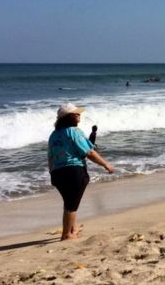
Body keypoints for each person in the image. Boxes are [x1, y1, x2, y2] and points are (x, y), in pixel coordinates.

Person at [48, 103, 114, 241]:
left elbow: (50, 157)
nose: (79, 114)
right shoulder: (74, 131)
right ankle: (67, 235)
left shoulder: (53, 135)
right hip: (74, 171)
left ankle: (72, 228)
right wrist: (105, 164)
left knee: (69, 202)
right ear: (69, 117)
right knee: (72, 205)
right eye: (76, 113)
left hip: (57, 173)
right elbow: (89, 152)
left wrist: (51, 174)